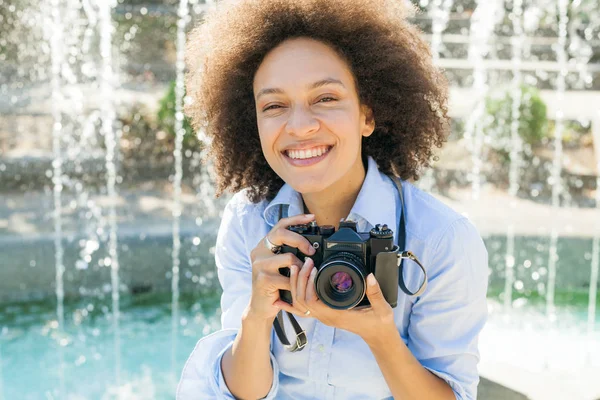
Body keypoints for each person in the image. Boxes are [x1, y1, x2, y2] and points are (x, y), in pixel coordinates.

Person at [177, 0, 489, 399]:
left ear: (367, 115)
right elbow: (245, 394)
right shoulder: (248, 221)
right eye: (274, 106)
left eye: (325, 98)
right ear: (250, 122)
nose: (301, 126)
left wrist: (379, 336)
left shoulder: (441, 238)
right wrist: (256, 318)